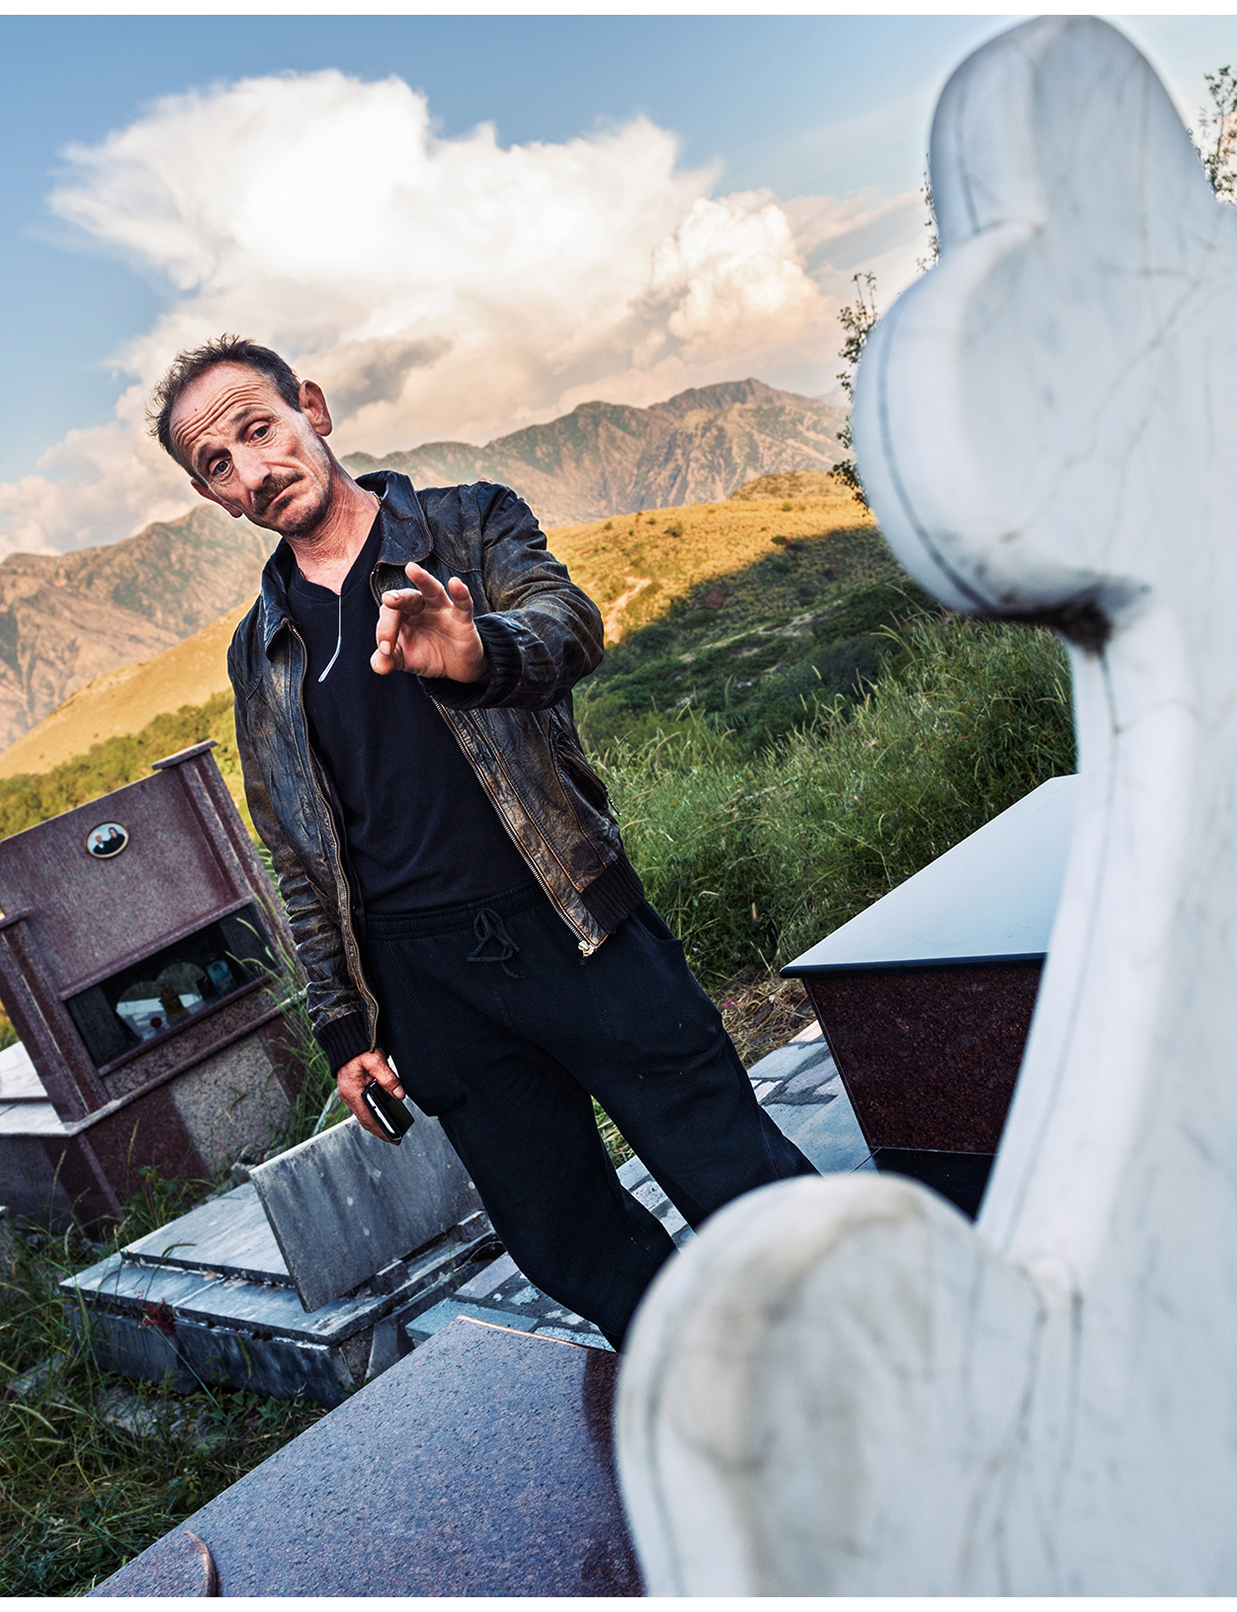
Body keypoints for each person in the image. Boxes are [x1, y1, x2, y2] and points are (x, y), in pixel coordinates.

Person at [151, 335, 815, 1348]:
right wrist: (346, 1025)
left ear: (312, 410)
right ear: (214, 498)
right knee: (563, 1236)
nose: (252, 468)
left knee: (731, 1168)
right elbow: (296, 850)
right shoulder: (263, 650)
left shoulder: (467, 522)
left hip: (571, 917)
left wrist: (475, 650)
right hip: (429, 988)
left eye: (258, 428)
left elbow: (569, 623)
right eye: (219, 464)